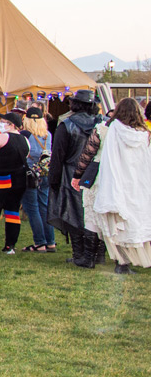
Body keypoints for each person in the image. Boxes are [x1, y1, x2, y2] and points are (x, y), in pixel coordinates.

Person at [83, 98, 151, 274]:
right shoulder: (144, 134)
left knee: (118, 226)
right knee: (133, 223)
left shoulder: (114, 129)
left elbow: (110, 157)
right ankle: (125, 262)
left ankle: (122, 263)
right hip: (137, 184)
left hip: (119, 182)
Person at [48, 89, 97, 268]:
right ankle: (93, 254)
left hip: (71, 173)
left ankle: (80, 255)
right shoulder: (100, 124)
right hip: (94, 173)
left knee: (74, 214)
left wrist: (54, 178)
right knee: (91, 213)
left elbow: (58, 155)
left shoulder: (67, 125)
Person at [0, 111, 29, 254]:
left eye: (3, 121)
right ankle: (10, 245)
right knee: (13, 211)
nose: (1, 124)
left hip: (1, 178)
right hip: (19, 180)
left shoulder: (2, 138)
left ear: (11, 124)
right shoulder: (24, 140)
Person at [20, 106, 54, 252]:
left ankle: (40, 242)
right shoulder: (48, 135)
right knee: (44, 206)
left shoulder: (25, 135)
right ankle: (50, 241)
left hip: (30, 173)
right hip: (45, 172)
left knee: (32, 208)